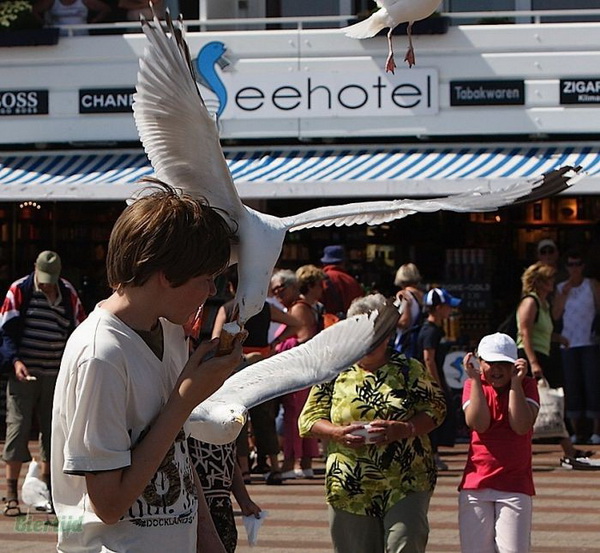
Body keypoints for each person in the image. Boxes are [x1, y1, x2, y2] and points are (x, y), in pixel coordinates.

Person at [51, 183, 244, 552]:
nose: (211, 291)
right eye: (206, 279)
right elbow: (108, 505)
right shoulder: (101, 355)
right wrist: (184, 400)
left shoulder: (167, 329)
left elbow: (178, 454)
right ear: (166, 276)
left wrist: (209, 542)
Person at [298, 293, 446, 553]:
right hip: (350, 485)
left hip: (405, 480)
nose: (367, 344)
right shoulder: (334, 369)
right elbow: (308, 419)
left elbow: (436, 408)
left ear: (387, 335)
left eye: (374, 336)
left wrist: (406, 428)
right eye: (360, 336)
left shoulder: (408, 369)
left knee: (406, 542)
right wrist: (336, 432)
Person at [1, 250, 86, 518]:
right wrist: (14, 361)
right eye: (44, 278)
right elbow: (5, 332)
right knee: (17, 428)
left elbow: (79, 329)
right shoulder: (19, 290)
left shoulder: (67, 293)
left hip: (55, 375)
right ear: (35, 269)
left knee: (53, 432)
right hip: (24, 374)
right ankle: (11, 494)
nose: (47, 283)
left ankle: (48, 491)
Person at [212, 269, 304, 485]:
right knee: (265, 417)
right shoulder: (264, 308)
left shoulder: (227, 308)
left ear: (231, 287)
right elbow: (296, 323)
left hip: (236, 365)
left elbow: (216, 341)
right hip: (262, 363)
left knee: (238, 417)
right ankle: (274, 466)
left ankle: (244, 469)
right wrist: (273, 344)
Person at [459, 333, 540, 553]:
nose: (496, 370)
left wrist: (516, 383)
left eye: (504, 364)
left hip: (515, 484)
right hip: (476, 483)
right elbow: (479, 423)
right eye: (490, 363)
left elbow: (521, 425)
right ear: (479, 361)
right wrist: (476, 379)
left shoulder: (528, 385)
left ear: (514, 363)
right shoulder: (472, 385)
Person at [516, 262, 591, 461]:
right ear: (539, 282)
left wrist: (559, 338)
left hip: (543, 355)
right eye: (549, 279)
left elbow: (543, 332)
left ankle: (569, 450)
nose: (552, 282)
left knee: (552, 403)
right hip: (530, 357)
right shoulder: (530, 302)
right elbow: (525, 333)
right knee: (533, 403)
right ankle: (567, 450)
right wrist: (533, 363)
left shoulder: (544, 303)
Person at [271, 266, 324, 480]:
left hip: (299, 369)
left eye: (281, 289)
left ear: (294, 287)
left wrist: (275, 346)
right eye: (274, 290)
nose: (277, 293)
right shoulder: (305, 306)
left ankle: (290, 463)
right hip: (307, 369)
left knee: (294, 415)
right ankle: (306, 462)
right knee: (304, 413)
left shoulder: (298, 308)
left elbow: (301, 339)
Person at [552, 249, 600, 445]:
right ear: (566, 268)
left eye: (578, 264)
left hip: (589, 342)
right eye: (571, 265)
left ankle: (595, 431)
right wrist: (563, 295)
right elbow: (555, 315)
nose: (575, 269)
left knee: (593, 385)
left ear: (583, 266)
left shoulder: (593, 285)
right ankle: (575, 431)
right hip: (569, 343)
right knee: (572, 386)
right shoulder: (561, 287)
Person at [417, 287, 461, 470]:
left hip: (433, 377)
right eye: (447, 306)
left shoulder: (436, 329)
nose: (451, 309)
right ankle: (431, 456)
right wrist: (435, 385)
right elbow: (428, 358)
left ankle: (433, 454)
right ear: (438, 308)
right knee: (435, 416)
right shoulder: (430, 331)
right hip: (429, 381)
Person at [319, 245, 363, 319]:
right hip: (351, 324)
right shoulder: (352, 281)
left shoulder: (320, 280)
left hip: (327, 325)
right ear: (343, 262)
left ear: (324, 263)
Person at [392, 262, 424, 357]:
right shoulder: (422, 295)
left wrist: (389, 322)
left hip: (405, 342)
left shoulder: (403, 295)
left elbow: (404, 323)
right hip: (419, 340)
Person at [33, 0, 111, 35]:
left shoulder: (85, 1)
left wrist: (93, 22)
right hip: (59, 38)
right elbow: (34, 10)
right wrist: (45, 23)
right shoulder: (52, 1)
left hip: (81, 37)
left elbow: (105, 9)